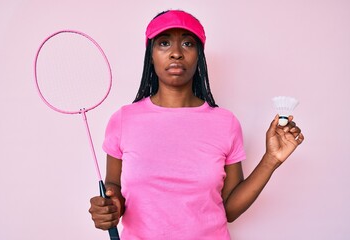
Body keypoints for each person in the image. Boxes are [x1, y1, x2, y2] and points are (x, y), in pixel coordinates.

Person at [88, 10, 304, 240]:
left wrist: (271, 160)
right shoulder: (123, 120)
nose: (176, 53)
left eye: (188, 44)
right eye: (164, 43)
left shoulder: (226, 123)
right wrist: (110, 208)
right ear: (150, 55)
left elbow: (229, 209)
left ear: (199, 56)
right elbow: (114, 187)